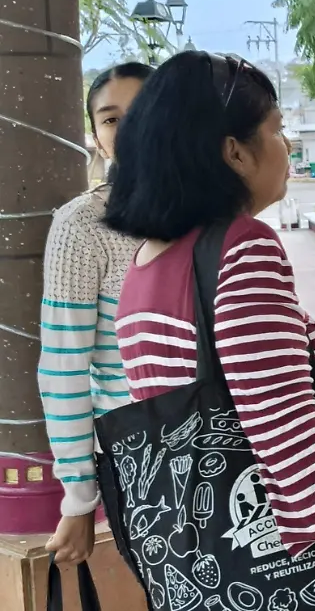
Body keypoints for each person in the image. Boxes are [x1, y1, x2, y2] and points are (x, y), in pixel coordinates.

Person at [102, 51, 315, 611]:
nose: (288, 145)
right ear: (234, 152)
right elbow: (283, 423)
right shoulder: (243, 247)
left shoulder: (145, 266)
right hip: (290, 561)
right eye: (277, 129)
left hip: (203, 560)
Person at [39, 61, 154, 566]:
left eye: (144, 111)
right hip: (139, 458)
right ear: (96, 137)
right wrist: (80, 498)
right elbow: (64, 367)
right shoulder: (80, 226)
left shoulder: (219, 212)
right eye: (110, 119)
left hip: (236, 438)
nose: (127, 130)